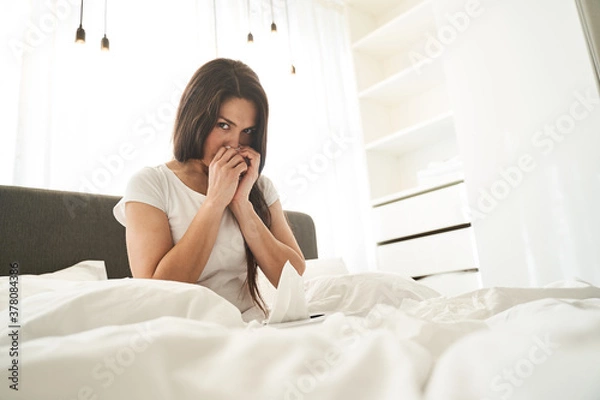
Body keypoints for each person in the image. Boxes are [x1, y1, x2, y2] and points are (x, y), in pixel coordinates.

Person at [113, 58, 306, 317]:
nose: (234, 144)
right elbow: (157, 289)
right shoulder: (151, 184)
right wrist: (215, 201)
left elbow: (292, 276)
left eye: (247, 131)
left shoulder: (259, 187)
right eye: (223, 125)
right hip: (184, 327)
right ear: (195, 118)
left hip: (251, 326)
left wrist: (241, 204)